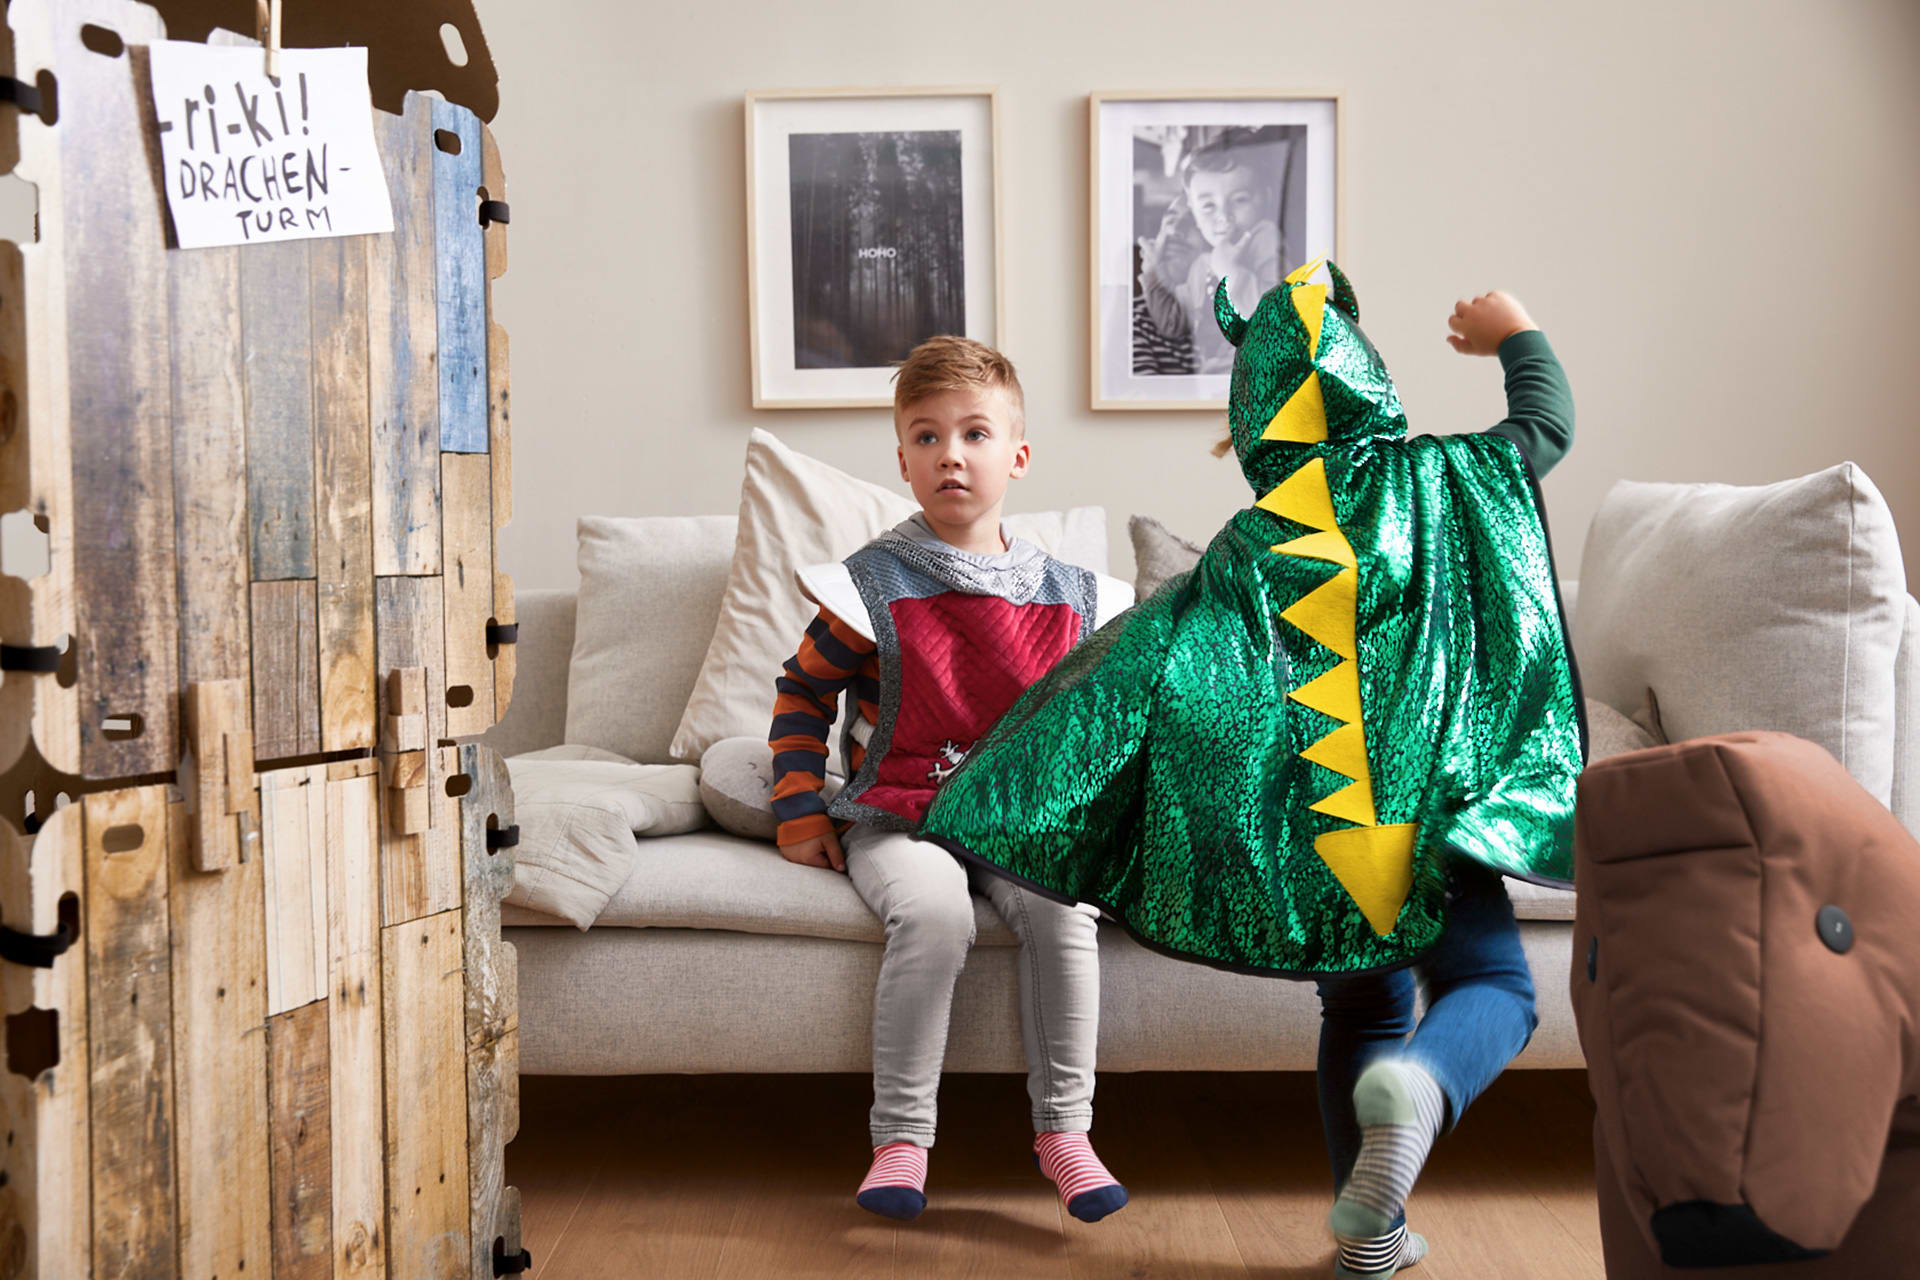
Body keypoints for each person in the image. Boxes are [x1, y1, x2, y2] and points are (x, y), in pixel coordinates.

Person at [917, 263, 1586, 1277]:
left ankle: (1371, 1229)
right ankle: (1426, 1087)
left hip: (1321, 835)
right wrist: (1515, 331)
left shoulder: (1250, 543)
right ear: (1369, 383)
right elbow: (1545, 426)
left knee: (1360, 1006)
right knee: (1493, 980)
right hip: (1432, 814)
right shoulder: (1441, 480)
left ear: (1254, 422)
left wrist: (1013, 774)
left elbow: (1137, 667)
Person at [768, 335, 1135, 1222]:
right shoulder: (871, 585)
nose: (951, 456)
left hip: (1020, 819)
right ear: (902, 459)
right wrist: (798, 807)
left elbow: (1107, 727)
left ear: (1017, 456)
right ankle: (901, 1140)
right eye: (927, 438)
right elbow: (803, 692)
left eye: (974, 434)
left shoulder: (1074, 597)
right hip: (900, 816)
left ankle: (1064, 1132)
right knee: (933, 916)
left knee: (1061, 911)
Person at [1139, 143, 1284, 374]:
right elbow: (1172, 324)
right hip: (1214, 379)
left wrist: (1231, 272)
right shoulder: (1202, 266)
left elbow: (1278, 321)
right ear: (1195, 212)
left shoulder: (1263, 238)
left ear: (1265, 199)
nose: (1223, 216)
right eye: (1208, 206)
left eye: (1240, 200)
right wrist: (1154, 272)